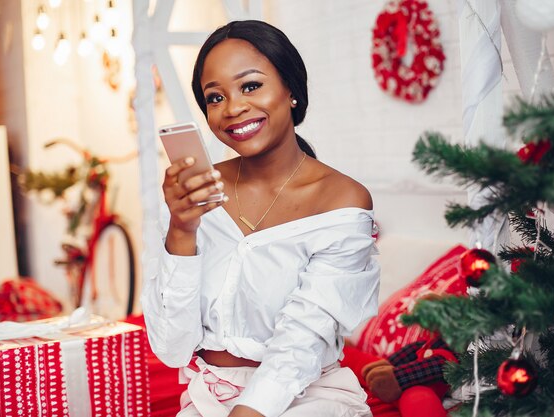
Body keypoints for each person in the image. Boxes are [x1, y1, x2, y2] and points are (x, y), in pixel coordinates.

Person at [141, 20, 381, 417]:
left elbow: (301, 342)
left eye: (250, 86)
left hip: (308, 398)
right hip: (208, 397)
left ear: (290, 90)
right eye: (215, 97)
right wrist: (182, 229)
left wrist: (248, 411)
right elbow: (172, 347)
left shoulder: (341, 201)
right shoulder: (196, 197)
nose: (233, 108)